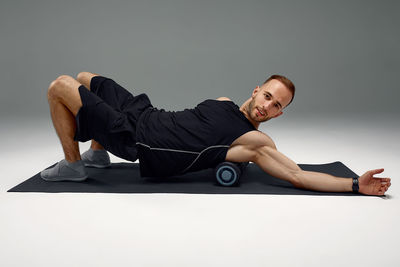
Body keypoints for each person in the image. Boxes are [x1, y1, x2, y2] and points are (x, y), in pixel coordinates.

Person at [40, 72, 391, 196]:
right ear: (256, 90)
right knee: (87, 77)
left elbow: (296, 174)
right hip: (145, 113)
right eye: (267, 96)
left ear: (281, 113)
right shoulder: (224, 102)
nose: (267, 106)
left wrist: (355, 185)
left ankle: (74, 164)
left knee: (61, 86)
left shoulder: (253, 142)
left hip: (139, 140)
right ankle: (97, 153)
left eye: (276, 105)